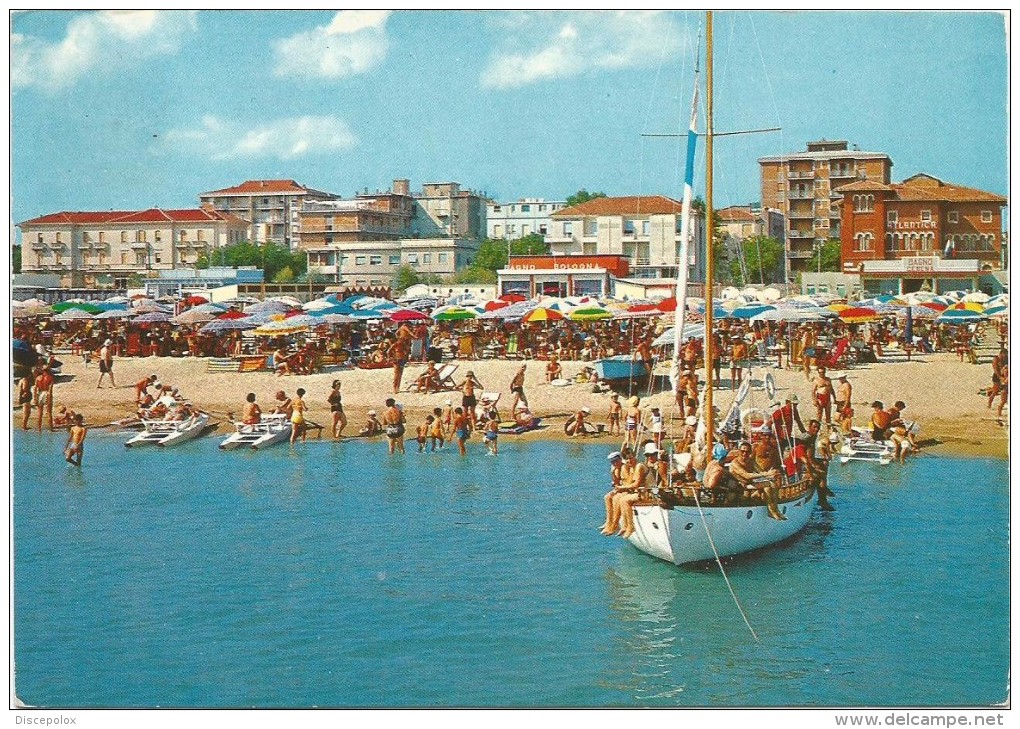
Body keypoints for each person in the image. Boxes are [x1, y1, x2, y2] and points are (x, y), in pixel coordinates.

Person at [728, 440, 786, 520]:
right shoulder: (735, 463)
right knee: (769, 484)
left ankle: (774, 510)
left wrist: (772, 474)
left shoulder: (750, 461)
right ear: (739, 451)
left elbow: (760, 471)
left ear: (750, 452)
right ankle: (771, 510)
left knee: (771, 484)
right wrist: (767, 474)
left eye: (747, 452)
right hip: (739, 485)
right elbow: (746, 475)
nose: (745, 454)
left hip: (749, 484)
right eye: (742, 451)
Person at [34, 364, 55, 433]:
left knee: (40, 412)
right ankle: (51, 429)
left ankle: (39, 429)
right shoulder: (50, 377)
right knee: (49, 412)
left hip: (40, 394)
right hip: (47, 393)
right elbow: (50, 390)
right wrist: (49, 398)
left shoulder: (38, 378)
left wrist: (35, 398)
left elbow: (35, 389)